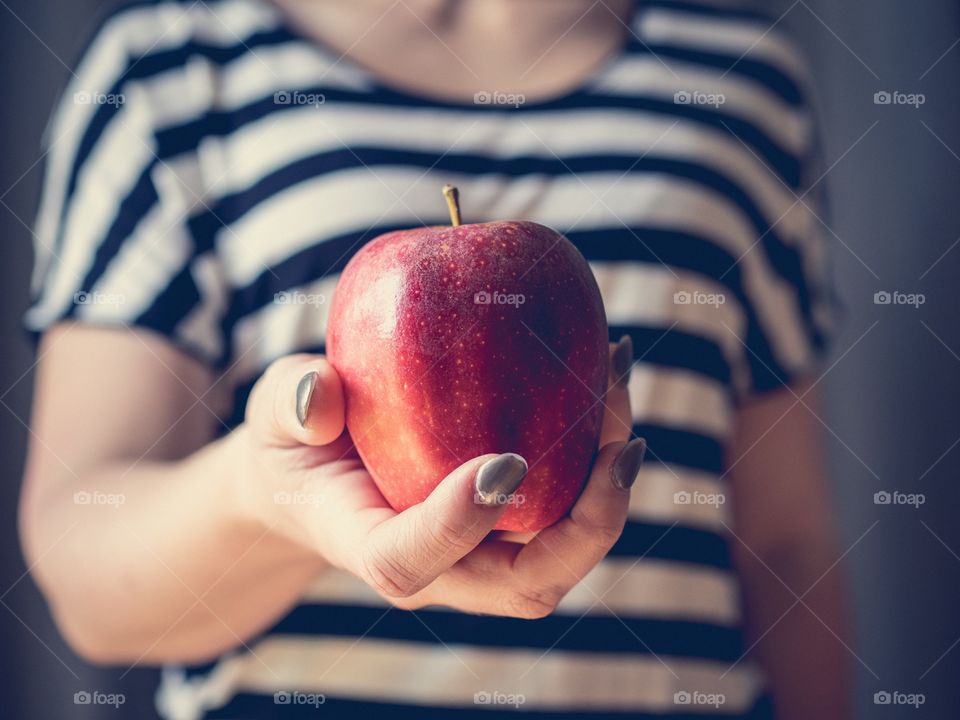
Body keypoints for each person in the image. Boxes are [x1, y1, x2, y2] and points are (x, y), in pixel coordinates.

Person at [19, 0, 851, 718]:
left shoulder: (740, 78)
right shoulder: (171, 67)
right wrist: (263, 497)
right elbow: (89, 577)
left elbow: (785, 542)